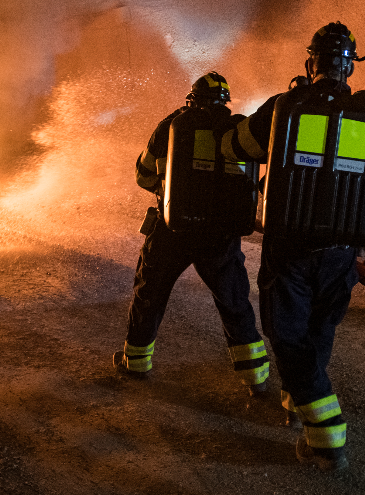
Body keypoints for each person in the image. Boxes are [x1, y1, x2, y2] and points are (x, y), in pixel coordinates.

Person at [221, 22, 365, 472]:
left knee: (285, 334)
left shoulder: (284, 107)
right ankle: (297, 400)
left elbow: (234, 147)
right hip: (341, 254)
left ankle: (327, 434)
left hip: (291, 250)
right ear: (349, 68)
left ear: (310, 62)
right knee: (319, 331)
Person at [114, 72, 270, 395]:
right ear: (226, 102)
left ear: (191, 98)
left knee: (150, 292)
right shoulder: (236, 129)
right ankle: (256, 378)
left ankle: (136, 364)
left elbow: (143, 176)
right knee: (234, 301)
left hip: (174, 229)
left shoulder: (171, 125)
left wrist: (169, 187)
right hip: (220, 235)